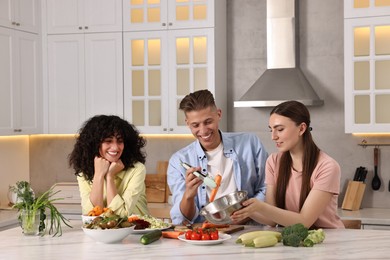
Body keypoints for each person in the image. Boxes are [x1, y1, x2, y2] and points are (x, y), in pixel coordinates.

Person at [231, 100, 344, 228]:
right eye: (271, 130)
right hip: (293, 242)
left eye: (280, 129)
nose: (273, 137)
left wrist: (260, 206)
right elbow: (272, 219)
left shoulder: (327, 167)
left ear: (301, 128)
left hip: (328, 241)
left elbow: (304, 222)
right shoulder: (273, 162)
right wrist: (245, 208)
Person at [167, 89, 268, 225]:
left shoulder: (250, 143)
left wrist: (247, 214)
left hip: (247, 228)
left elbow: (265, 188)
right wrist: (189, 196)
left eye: (208, 122)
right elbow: (184, 220)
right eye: (195, 125)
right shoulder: (179, 161)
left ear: (218, 114)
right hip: (205, 233)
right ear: (187, 123)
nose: (203, 131)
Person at [68, 115, 149, 218]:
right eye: (108, 141)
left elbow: (120, 216)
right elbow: (92, 216)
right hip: (102, 233)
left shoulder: (137, 169)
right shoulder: (84, 172)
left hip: (137, 231)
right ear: (94, 143)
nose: (115, 147)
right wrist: (99, 175)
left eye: (120, 141)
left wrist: (110, 176)